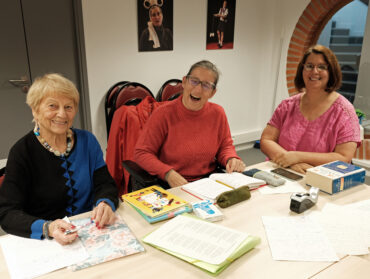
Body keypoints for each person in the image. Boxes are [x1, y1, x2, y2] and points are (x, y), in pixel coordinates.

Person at [0, 73, 119, 245]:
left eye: (68, 107)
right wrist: (48, 228)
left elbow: (105, 183)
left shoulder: (88, 141)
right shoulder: (22, 152)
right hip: (47, 242)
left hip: (90, 232)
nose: (62, 114)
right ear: (35, 110)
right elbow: (7, 213)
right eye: (52, 106)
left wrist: (105, 203)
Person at [134, 60, 245, 188]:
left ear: (212, 93)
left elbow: (225, 146)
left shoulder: (218, 113)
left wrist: (231, 158)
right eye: (194, 81)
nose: (198, 90)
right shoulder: (163, 114)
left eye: (206, 85)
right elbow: (142, 153)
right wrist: (167, 173)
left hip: (207, 181)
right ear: (184, 82)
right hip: (172, 183)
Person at [260, 45, 361, 174]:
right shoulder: (287, 105)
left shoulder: (345, 112)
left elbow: (343, 158)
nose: (314, 71)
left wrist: (297, 157)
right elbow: (266, 140)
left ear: (331, 72)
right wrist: (289, 161)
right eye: (309, 66)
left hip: (320, 180)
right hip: (282, 171)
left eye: (322, 67)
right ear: (302, 70)